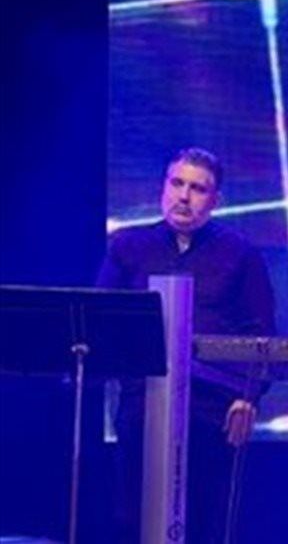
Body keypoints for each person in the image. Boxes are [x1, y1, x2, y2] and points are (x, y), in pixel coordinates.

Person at [96, 147, 276, 544]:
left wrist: (249, 398)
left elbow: (263, 336)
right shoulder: (127, 247)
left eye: (197, 188)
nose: (183, 196)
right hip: (141, 409)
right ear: (163, 187)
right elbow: (101, 324)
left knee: (205, 525)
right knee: (132, 520)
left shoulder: (241, 255)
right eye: (176, 183)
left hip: (212, 413)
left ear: (215, 200)